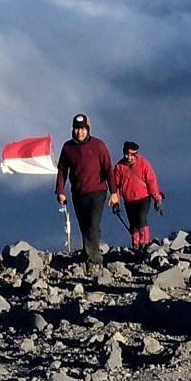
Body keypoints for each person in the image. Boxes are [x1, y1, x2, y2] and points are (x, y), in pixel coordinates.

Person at [55, 113, 117, 275]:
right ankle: (88, 254)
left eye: (82, 129)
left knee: (93, 224)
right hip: (78, 193)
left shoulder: (98, 145)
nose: (79, 132)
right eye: (76, 129)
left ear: (87, 129)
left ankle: (95, 260)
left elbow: (108, 169)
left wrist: (114, 192)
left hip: (97, 191)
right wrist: (60, 191)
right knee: (84, 226)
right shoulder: (68, 147)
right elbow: (62, 170)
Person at [113, 141, 164, 259]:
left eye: (131, 155)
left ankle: (144, 243)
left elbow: (151, 181)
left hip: (144, 198)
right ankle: (135, 245)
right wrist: (115, 202)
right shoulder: (119, 167)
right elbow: (116, 186)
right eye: (126, 154)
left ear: (136, 154)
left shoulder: (143, 163)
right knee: (133, 223)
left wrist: (157, 198)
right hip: (129, 200)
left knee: (141, 219)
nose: (129, 157)